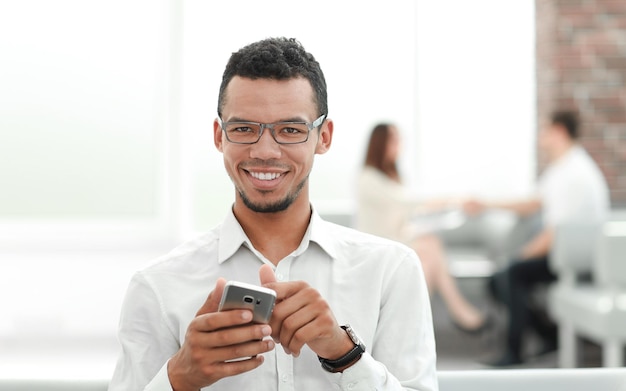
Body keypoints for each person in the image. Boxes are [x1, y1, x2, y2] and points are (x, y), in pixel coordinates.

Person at [108, 38, 437, 391]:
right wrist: (178, 378)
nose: (265, 151)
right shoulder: (157, 286)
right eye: (244, 129)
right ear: (220, 136)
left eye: (290, 130)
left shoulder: (391, 272)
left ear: (323, 137)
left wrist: (345, 354)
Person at [464, 110, 610, 366]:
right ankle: (550, 337)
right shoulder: (562, 169)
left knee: (510, 274)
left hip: (577, 262)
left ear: (559, 131)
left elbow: (555, 235)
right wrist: (486, 204)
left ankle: (514, 353)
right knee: (500, 279)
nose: (540, 137)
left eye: (545, 130)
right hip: (565, 255)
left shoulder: (575, 175)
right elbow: (531, 203)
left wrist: (515, 258)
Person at [356, 123, 488, 334]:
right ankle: (453, 312)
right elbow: (409, 202)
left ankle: (410, 323)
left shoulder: (393, 177)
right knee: (430, 247)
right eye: (394, 140)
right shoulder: (368, 179)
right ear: (380, 144)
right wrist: (455, 200)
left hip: (394, 239)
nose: (399, 146)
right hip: (376, 244)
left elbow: (405, 215)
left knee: (427, 258)